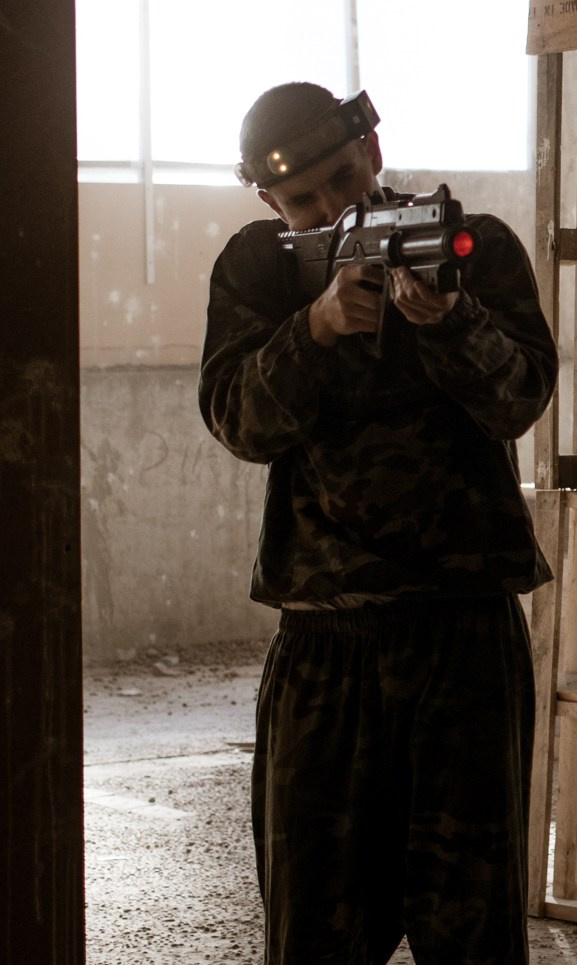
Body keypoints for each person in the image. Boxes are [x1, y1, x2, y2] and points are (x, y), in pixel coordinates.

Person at [200, 82, 556, 964]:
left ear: (374, 150)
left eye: (343, 177)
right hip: (328, 644)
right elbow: (240, 421)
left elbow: (519, 400)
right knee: (314, 933)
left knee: (473, 934)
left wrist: (448, 320)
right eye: (304, 199)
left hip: (463, 635)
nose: (334, 206)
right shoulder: (261, 269)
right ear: (269, 202)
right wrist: (312, 329)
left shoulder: (474, 248)